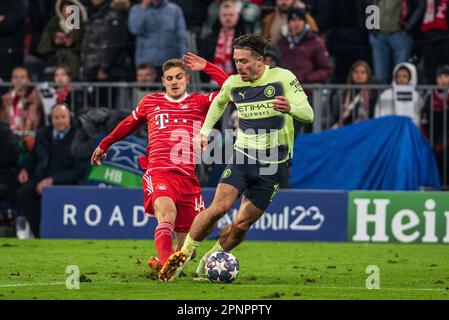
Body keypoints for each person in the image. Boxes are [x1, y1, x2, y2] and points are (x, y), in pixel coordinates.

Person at [159, 34, 314, 282]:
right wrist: (204, 132)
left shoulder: (283, 78)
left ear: (260, 60)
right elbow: (219, 104)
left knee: (241, 224)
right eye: (235, 61)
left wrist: (291, 109)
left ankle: (210, 260)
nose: (238, 66)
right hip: (243, 156)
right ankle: (182, 256)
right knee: (218, 208)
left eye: (243, 61)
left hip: (274, 163)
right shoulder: (233, 83)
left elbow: (308, 114)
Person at [90, 53, 228, 273]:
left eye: (179, 77)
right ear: (163, 81)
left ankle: (163, 262)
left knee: (188, 252)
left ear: (187, 79)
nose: (174, 82)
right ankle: (166, 267)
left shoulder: (199, 102)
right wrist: (105, 144)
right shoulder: (150, 102)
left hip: (187, 177)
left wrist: (207, 66)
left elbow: (228, 89)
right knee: (167, 214)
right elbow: (127, 124)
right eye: (169, 78)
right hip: (159, 171)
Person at [16, 104, 88, 237]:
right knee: (23, 193)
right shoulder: (43, 133)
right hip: (40, 179)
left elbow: (79, 170)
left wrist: (52, 181)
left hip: (64, 181)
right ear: (51, 119)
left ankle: (54, 232)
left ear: (69, 118)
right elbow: (32, 156)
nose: (60, 121)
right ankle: (38, 233)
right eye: (56, 117)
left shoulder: (78, 136)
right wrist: (25, 169)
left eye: (63, 117)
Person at [128, 0, 187, 77]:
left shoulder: (174, 10)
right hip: (146, 64)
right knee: (147, 89)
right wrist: (143, 7)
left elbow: (181, 37)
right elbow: (135, 29)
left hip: (170, 62)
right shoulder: (137, 9)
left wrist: (184, 59)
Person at [276, 8, 332, 85]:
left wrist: (308, 78)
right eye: (293, 20)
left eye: (300, 20)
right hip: (285, 89)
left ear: (305, 23)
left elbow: (326, 69)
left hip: (308, 90)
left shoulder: (315, 42)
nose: (296, 23)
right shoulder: (281, 43)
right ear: (288, 23)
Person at [37, 0, 87, 81]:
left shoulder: (83, 27)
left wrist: (72, 44)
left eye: (71, 11)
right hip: (54, 67)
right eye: (65, 11)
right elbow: (41, 49)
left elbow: (88, 48)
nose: (68, 14)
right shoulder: (53, 26)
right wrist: (54, 43)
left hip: (76, 70)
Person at [421, 65, 449, 187]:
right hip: (433, 140)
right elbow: (424, 119)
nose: (443, 79)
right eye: (440, 77)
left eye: (446, 76)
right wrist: (429, 139)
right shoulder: (429, 96)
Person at [331, 60, 378, 128]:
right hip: (346, 128)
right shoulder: (345, 92)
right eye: (356, 72)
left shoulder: (373, 93)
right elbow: (338, 115)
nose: (359, 75)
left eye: (362, 72)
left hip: (367, 128)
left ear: (368, 75)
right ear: (351, 74)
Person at [0, 67, 44, 133]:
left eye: (22, 77)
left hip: (28, 137)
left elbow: (33, 123)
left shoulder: (35, 99)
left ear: (29, 80)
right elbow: (2, 120)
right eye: (16, 77)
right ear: (11, 80)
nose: (19, 80)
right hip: (7, 137)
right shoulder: (5, 99)